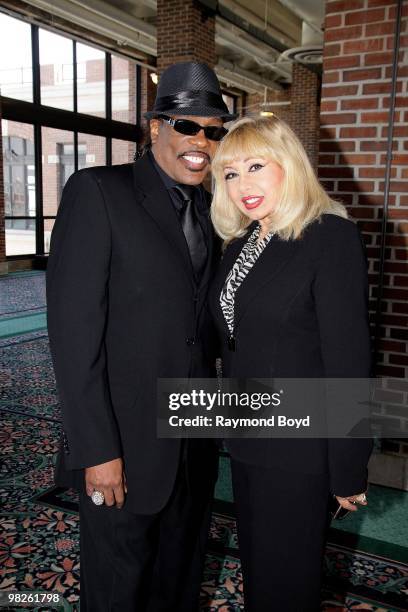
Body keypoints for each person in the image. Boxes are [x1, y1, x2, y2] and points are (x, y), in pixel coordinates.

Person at [46, 61, 237, 612]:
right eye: (187, 126)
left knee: (177, 582)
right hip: (122, 449)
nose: (202, 141)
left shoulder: (211, 207)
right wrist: (97, 450)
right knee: (116, 591)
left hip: (193, 443)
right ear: (155, 127)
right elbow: (74, 338)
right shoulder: (99, 193)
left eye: (213, 130)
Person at [209, 116, 373, 611]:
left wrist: (348, 469)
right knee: (261, 570)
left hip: (301, 448)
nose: (243, 184)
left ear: (290, 166)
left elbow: (349, 361)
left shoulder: (330, 238)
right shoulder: (241, 244)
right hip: (246, 438)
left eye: (257, 165)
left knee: (289, 580)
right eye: (231, 173)